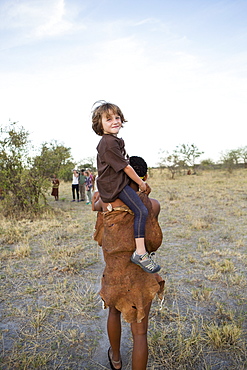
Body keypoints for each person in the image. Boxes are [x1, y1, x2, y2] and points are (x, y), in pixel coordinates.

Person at [92, 156, 164, 370]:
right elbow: (154, 240)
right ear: (145, 177)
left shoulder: (107, 203)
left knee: (113, 312)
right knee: (140, 333)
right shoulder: (153, 205)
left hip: (115, 272)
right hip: (140, 274)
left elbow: (96, 206)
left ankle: (115, 359)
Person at [92, 101, 160, 274]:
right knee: (142, 211)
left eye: (117, 117)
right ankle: (141, 253)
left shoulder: (113, 141)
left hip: (113, 183)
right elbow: (126, 167)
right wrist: (141, 183)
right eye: (108, 119)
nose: (115, 121)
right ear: (100, 124)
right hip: (116, 186)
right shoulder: (108, 143)